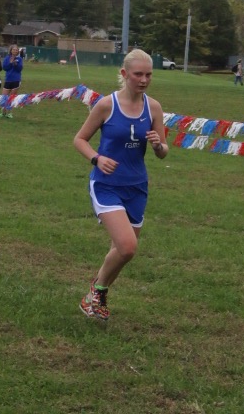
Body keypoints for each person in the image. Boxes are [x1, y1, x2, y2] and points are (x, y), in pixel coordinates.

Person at [73, 49, 168, 321]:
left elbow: (163, 152)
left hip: (137, 185)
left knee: (123, 251)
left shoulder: (154, 107)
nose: (144, 80)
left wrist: (158, 145)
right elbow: (79, 139)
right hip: (107, 184)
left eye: (148, 74)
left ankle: (96, 294)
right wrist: (96, 158)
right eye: (138, 74)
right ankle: (97, 291)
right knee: (127, 246)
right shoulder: (106, 105)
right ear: (125, 74)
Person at [0, 44, 23, 118]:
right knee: (4, 97)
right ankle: (3, 113)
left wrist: (15, 64)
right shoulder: (7, 58)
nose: (15, 51)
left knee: (12, 97)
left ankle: (10, 113)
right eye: (13, 49)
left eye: (16, 50)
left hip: (16, 80)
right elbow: (5, 68)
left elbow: (20, 69)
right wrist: (10, 63)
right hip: (8, 79)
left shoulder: (19, 59)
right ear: (11, 50)